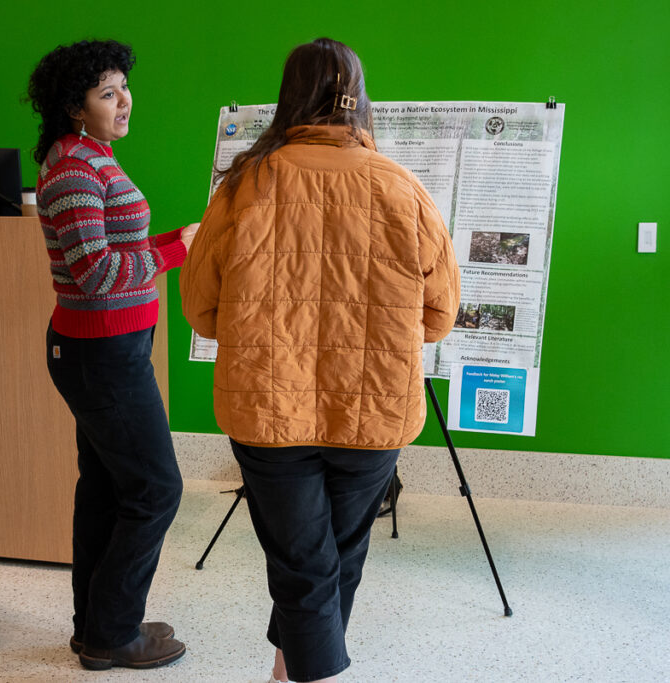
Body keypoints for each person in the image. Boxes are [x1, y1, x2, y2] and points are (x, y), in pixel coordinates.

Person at [181, 38, 460, 683]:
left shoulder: (244, 186)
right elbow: (440, 318)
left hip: (266, 408)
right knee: (338, 554)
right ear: (361, 101)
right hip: (374, 412)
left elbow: (201, 311)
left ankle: (299, 669)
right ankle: (298, 667)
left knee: (304, 560)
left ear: (289, 99)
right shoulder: (402, 188)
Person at [27, 39, 198, 671]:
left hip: (111, 347)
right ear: (76, 107)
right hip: (100, 352)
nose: (124, 101)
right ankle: (114, 632)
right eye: (108, 93)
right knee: (156, 490)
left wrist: (171, 238)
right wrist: (174, 252)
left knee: (105, 487)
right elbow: (96, 272)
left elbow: (112, 246)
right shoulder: (73, 168)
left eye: (124, 87)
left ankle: (96, 626)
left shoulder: (92, 157)